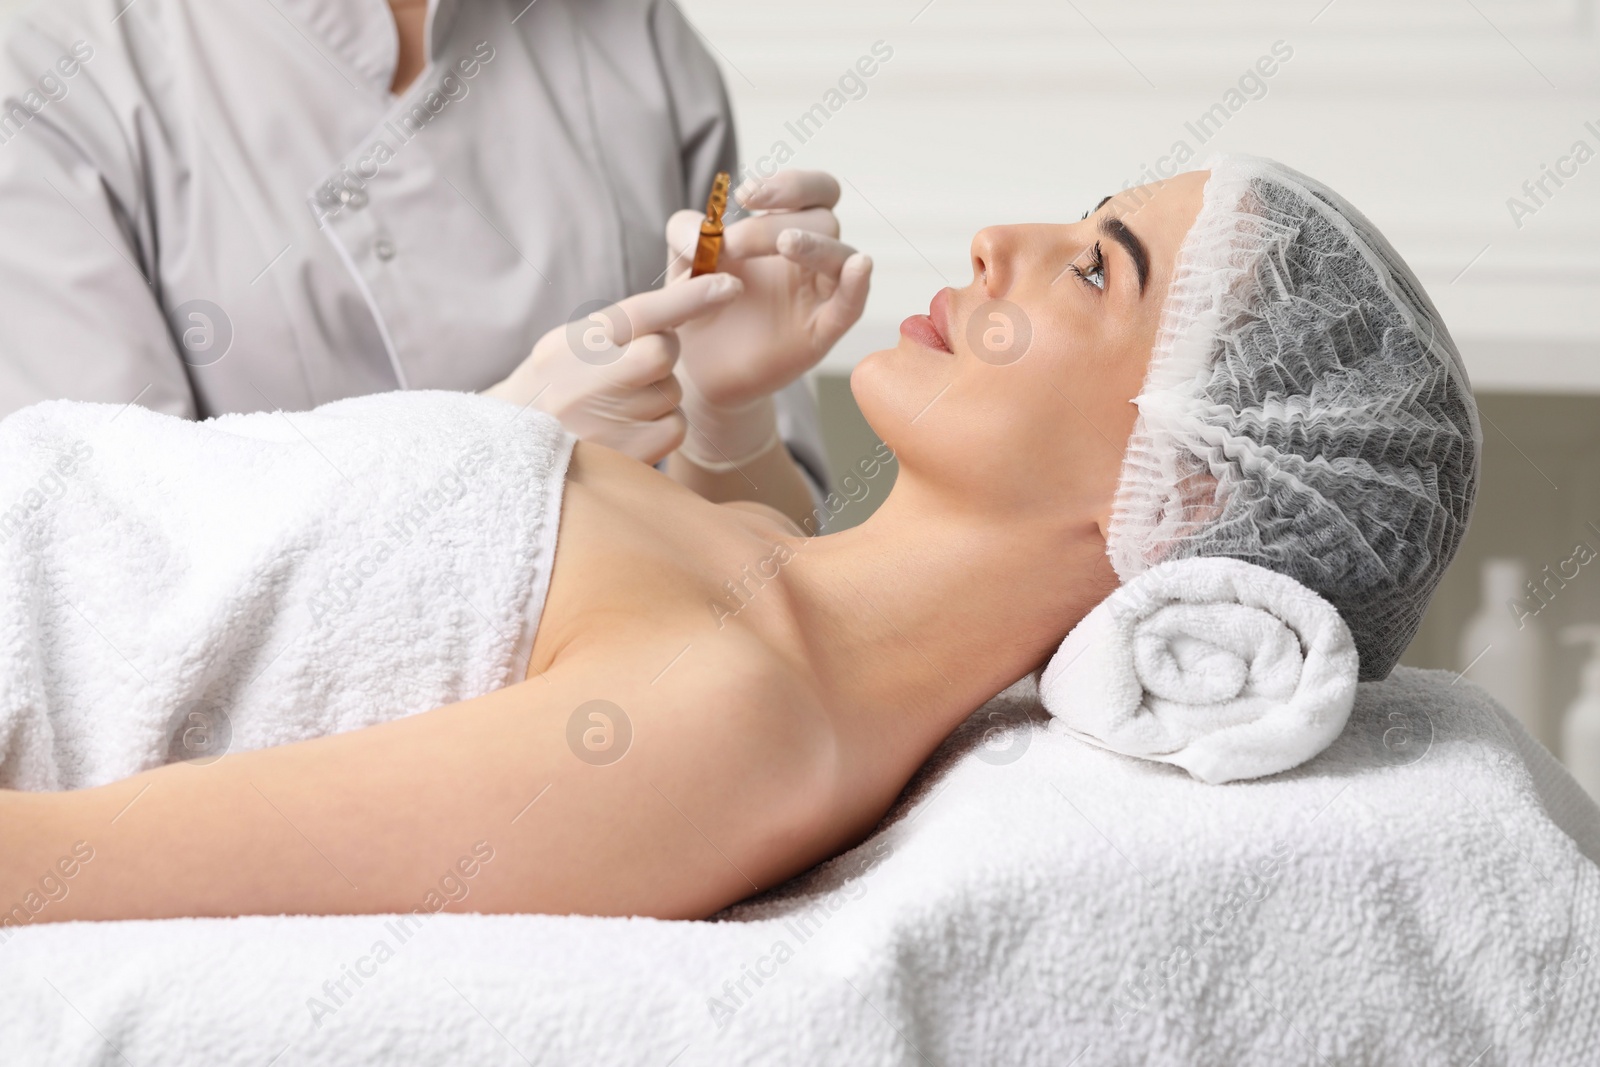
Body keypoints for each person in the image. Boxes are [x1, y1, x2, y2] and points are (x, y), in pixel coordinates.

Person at [0, 157, 1479, 924]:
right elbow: (748, 547)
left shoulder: (735, 718)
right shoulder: (773, 584)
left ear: (1187, 487)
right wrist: (725, 408)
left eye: (1097, 268)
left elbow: (65, 871)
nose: (998, 244)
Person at [0, 0, 869, 527]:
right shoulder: (53, 79)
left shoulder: (635, 31)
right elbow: (110, 578)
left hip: (648, 726)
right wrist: (503, 440)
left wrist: (728, 418)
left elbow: (772, 570)